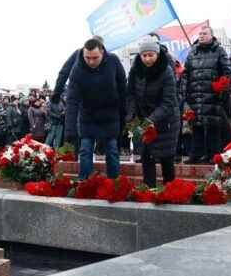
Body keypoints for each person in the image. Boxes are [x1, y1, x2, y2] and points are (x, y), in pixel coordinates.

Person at [65, 37, 126, 180]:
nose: (91, 62)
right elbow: (72, 100)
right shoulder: (77, 69)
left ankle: (114, 184)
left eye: (95, 58)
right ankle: (84, 182)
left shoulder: (113, 61)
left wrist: (124, 114)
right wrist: (69, 130)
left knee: (112, 150)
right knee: (85, 150)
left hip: (110, 115)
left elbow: (123, 87)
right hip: (88, 116)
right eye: (87, 58)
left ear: (103, 52)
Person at [126, 40, 179, 187]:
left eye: (151, 55)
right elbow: (130, 94)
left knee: (166, 158)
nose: (147, 59)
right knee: (146, 155)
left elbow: (169, 101)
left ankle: (171, 190)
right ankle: (149, 190)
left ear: (157, 54)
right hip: (145, 120)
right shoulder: (135, 70)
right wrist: (130, 114)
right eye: (144, 55)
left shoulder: (166, 70)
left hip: (166, 121)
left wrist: (151, 120)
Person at [182, 26, 231, 163]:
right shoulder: (192, 52)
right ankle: (196, 154)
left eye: (204, 33)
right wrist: (184, 91)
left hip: (212, 95)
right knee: (196, 125)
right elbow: (186, 73)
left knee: (212, 126)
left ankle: (213, 155)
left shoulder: (219, 51)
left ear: (212, 35)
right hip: (195, 94)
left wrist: (222, 88)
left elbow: (227, 72)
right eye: (200, 33)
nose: (201, 36)